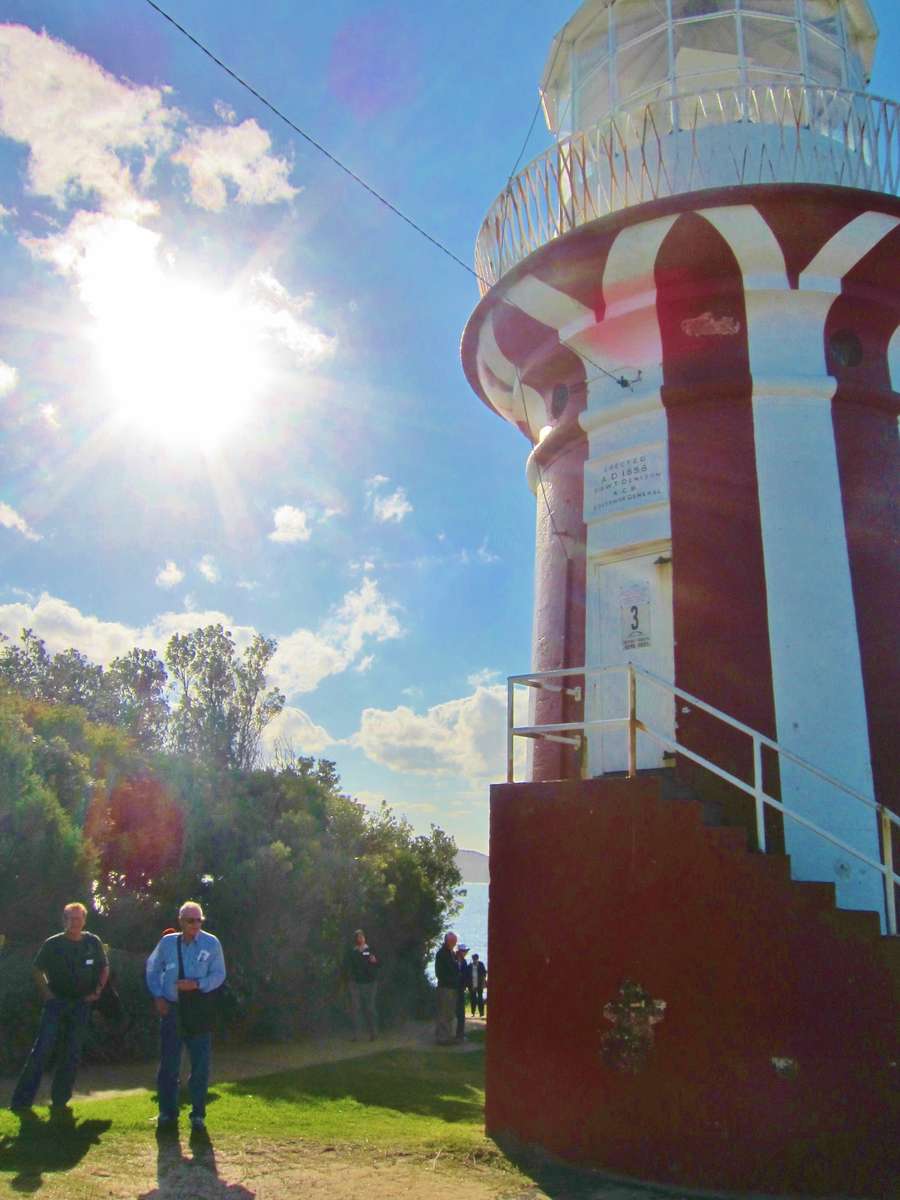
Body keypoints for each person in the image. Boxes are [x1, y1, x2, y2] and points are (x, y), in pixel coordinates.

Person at [10, 902, 109, 1115]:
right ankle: (21, 1102)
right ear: (64, 920)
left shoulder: (93, 942)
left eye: (78, 918)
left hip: (82, 1004)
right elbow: (37, 970)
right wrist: (48, 995)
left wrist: (98, 990)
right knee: (42, 1049)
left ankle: (60, 1101)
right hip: (57, 1003)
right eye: (70, 918)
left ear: (84, 920)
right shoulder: (53, 944)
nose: (74, 922)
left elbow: (104, 967)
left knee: (72, 1052)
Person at [145, 901, 225, 1133]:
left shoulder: (211, 943)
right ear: (180, 921)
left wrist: (197, 984)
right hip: (172, 1009)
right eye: (190, 920)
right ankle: (167, 1112)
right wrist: (158, 996)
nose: (195, 924)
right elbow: (152, 968)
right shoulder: (168, 943)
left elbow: (219, 974)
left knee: (200, 1065)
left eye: (199, 920)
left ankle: (198, 1114)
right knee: (169, 1065)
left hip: (199, 1010)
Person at [345, 929, 379, 1041]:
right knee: (356, 1009)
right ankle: (356, 1035)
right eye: (357, 937)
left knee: (370, 1008)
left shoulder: (370, 950)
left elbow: (377, 963)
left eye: (361, 936)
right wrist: (351, 980)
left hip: (370, 982)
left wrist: (374, 961)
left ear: (364, 938)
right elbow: (349, 966)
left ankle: (373, 1033)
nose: (360, 939)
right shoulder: (352, 952)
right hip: (356, 983)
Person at [434, 931, 458, 1045]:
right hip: (445, 987)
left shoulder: (451, 953)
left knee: (450, 1013)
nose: (455, 943)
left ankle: (448, 1035)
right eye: (454, 941)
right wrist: (452, 979)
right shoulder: (442, 954)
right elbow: (440, 972)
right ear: (449, 941)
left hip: (452, 987)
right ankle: (442, 1037)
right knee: (443, 1013)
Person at [454, 945, 470, 1042]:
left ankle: (460, 1034)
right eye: (463, 951)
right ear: (459, 951)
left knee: (461, 1013)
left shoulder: (464, 962)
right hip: (452, 989)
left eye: (466, 951)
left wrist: (465, 985)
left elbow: (465, 975)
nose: (465, 953)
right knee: (450, 1012)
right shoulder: (453, 960)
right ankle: (450, 1033)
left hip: (460, 990)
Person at [469, 953, 487, 1017]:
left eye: (476, 959)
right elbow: (468, 976)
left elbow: (484, 973)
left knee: (480, 999)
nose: (475, 960)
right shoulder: (470, 966)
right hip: (472, 984)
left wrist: (483, 982)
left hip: (479, 984)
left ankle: (481, 1013)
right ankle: (473, 1013)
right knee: (473, 999)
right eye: (474, 959)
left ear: (478, 959)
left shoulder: (481, 964)